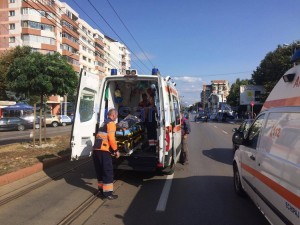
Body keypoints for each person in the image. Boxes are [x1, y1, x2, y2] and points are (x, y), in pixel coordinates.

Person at [93, 108, 120, 200]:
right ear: (113, 115)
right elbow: (111, 139)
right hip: (104, 151)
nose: (117, 117)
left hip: (96, 150)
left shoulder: (103, 123)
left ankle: (101, 191)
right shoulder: (111, 124)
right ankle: (108, 193)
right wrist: (116, 150)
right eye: (116, 115)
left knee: (100, 171)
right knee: (107, 172)